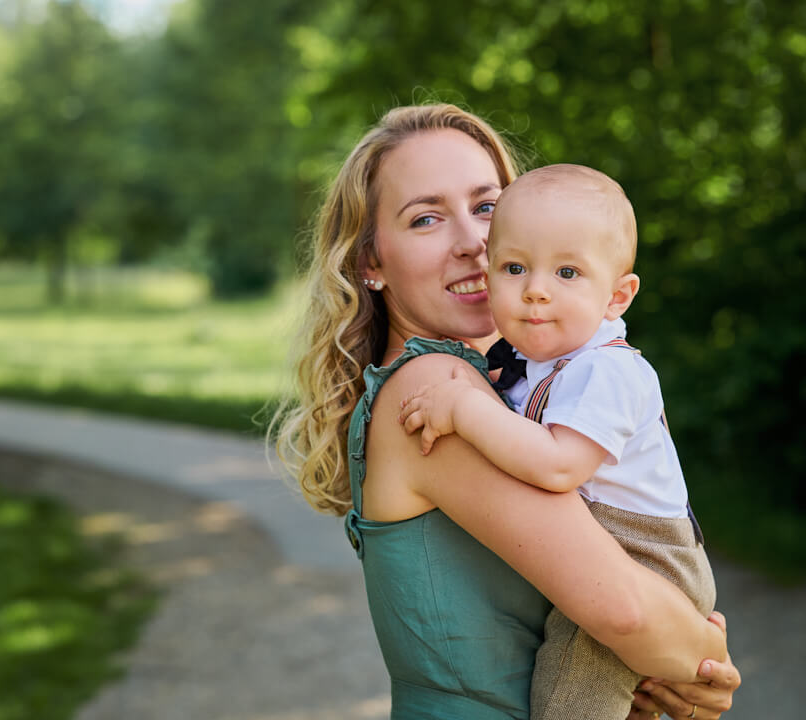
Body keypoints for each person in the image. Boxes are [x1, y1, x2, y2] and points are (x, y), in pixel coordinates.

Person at [272, 103, 740, 720]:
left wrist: (660, 661)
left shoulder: (504, 393)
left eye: (486, 206)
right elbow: (624, 609)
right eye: (426, 219)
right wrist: (705, 657)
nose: (474, 242)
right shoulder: (434, 388)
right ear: (371, 264)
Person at [398, 163, 716, 720]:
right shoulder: (541, 367)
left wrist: (466, 409)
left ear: (618, 296)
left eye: (567, 272)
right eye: (515, 267)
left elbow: (559, 466)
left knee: (566, 699)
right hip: (619, 556)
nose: (536, 290)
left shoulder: (607, 371)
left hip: (646, 552)